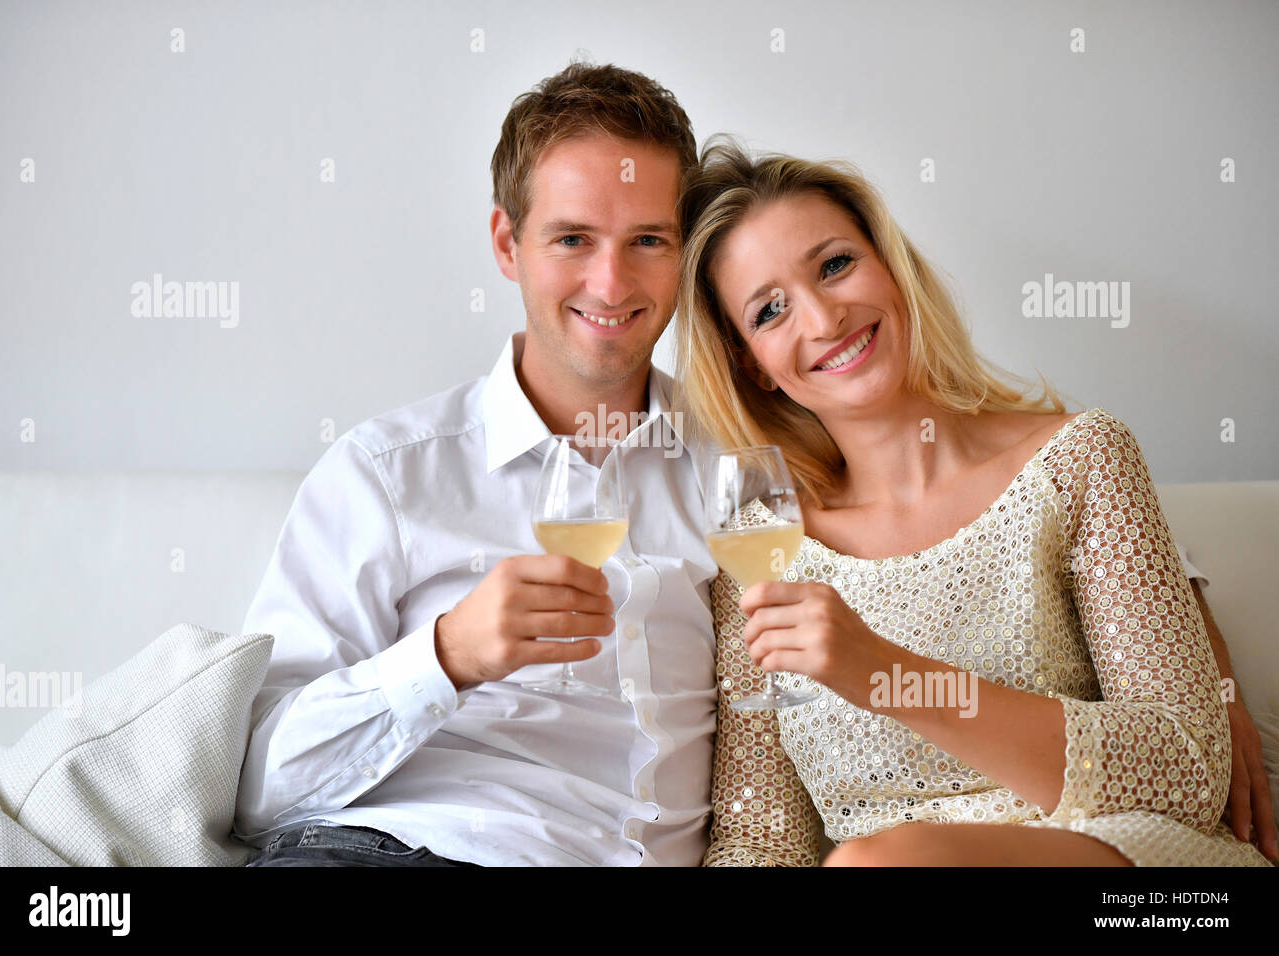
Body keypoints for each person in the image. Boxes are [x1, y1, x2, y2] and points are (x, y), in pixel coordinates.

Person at [675, 138, 1274, 866]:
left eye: (835, 265)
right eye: (770, 311)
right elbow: (759, 836)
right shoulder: (761, 552)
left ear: (892, 269)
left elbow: (1187, 767)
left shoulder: (1080, 459)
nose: (824, 318)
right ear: (752, 365)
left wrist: (887, 676)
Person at [232, 62, 717, 866]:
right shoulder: (386, 475)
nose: (611, 281)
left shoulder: (736, 474)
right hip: (384, 851)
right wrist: (448, 655)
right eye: (572, 239)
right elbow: (255, 791)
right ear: (507, 244)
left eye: (648, 242)